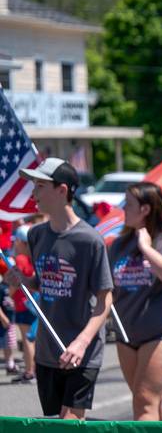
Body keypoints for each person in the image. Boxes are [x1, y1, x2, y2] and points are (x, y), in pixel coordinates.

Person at [9, 158, 113, 419]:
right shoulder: (36, 235)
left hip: (81, 350)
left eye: (40, 186)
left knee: (70, 422)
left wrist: (81, 342)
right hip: (47, 349)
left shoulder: (89, 240)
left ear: (62, 190)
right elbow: (43, 284)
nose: (33, 194)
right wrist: (22, 280)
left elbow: (104, 299)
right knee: (53, 422)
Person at [108, 181, 162, 420]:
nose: (123, 209)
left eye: (128, 204)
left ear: (145, 209)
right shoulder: (118, 245)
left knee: (144, 400)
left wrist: (146, 248)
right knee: (146, 399)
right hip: (127, 334)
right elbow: (107, 287)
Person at [9, 225, 37, 384]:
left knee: (27, 339)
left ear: (21, 241)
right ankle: (35, 369)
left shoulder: (20, 259)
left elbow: (15, 281)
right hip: (34, 302)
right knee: (34, 337)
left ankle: (29, 371)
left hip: (22, 303)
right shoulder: (34, 256)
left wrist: (10, 293)